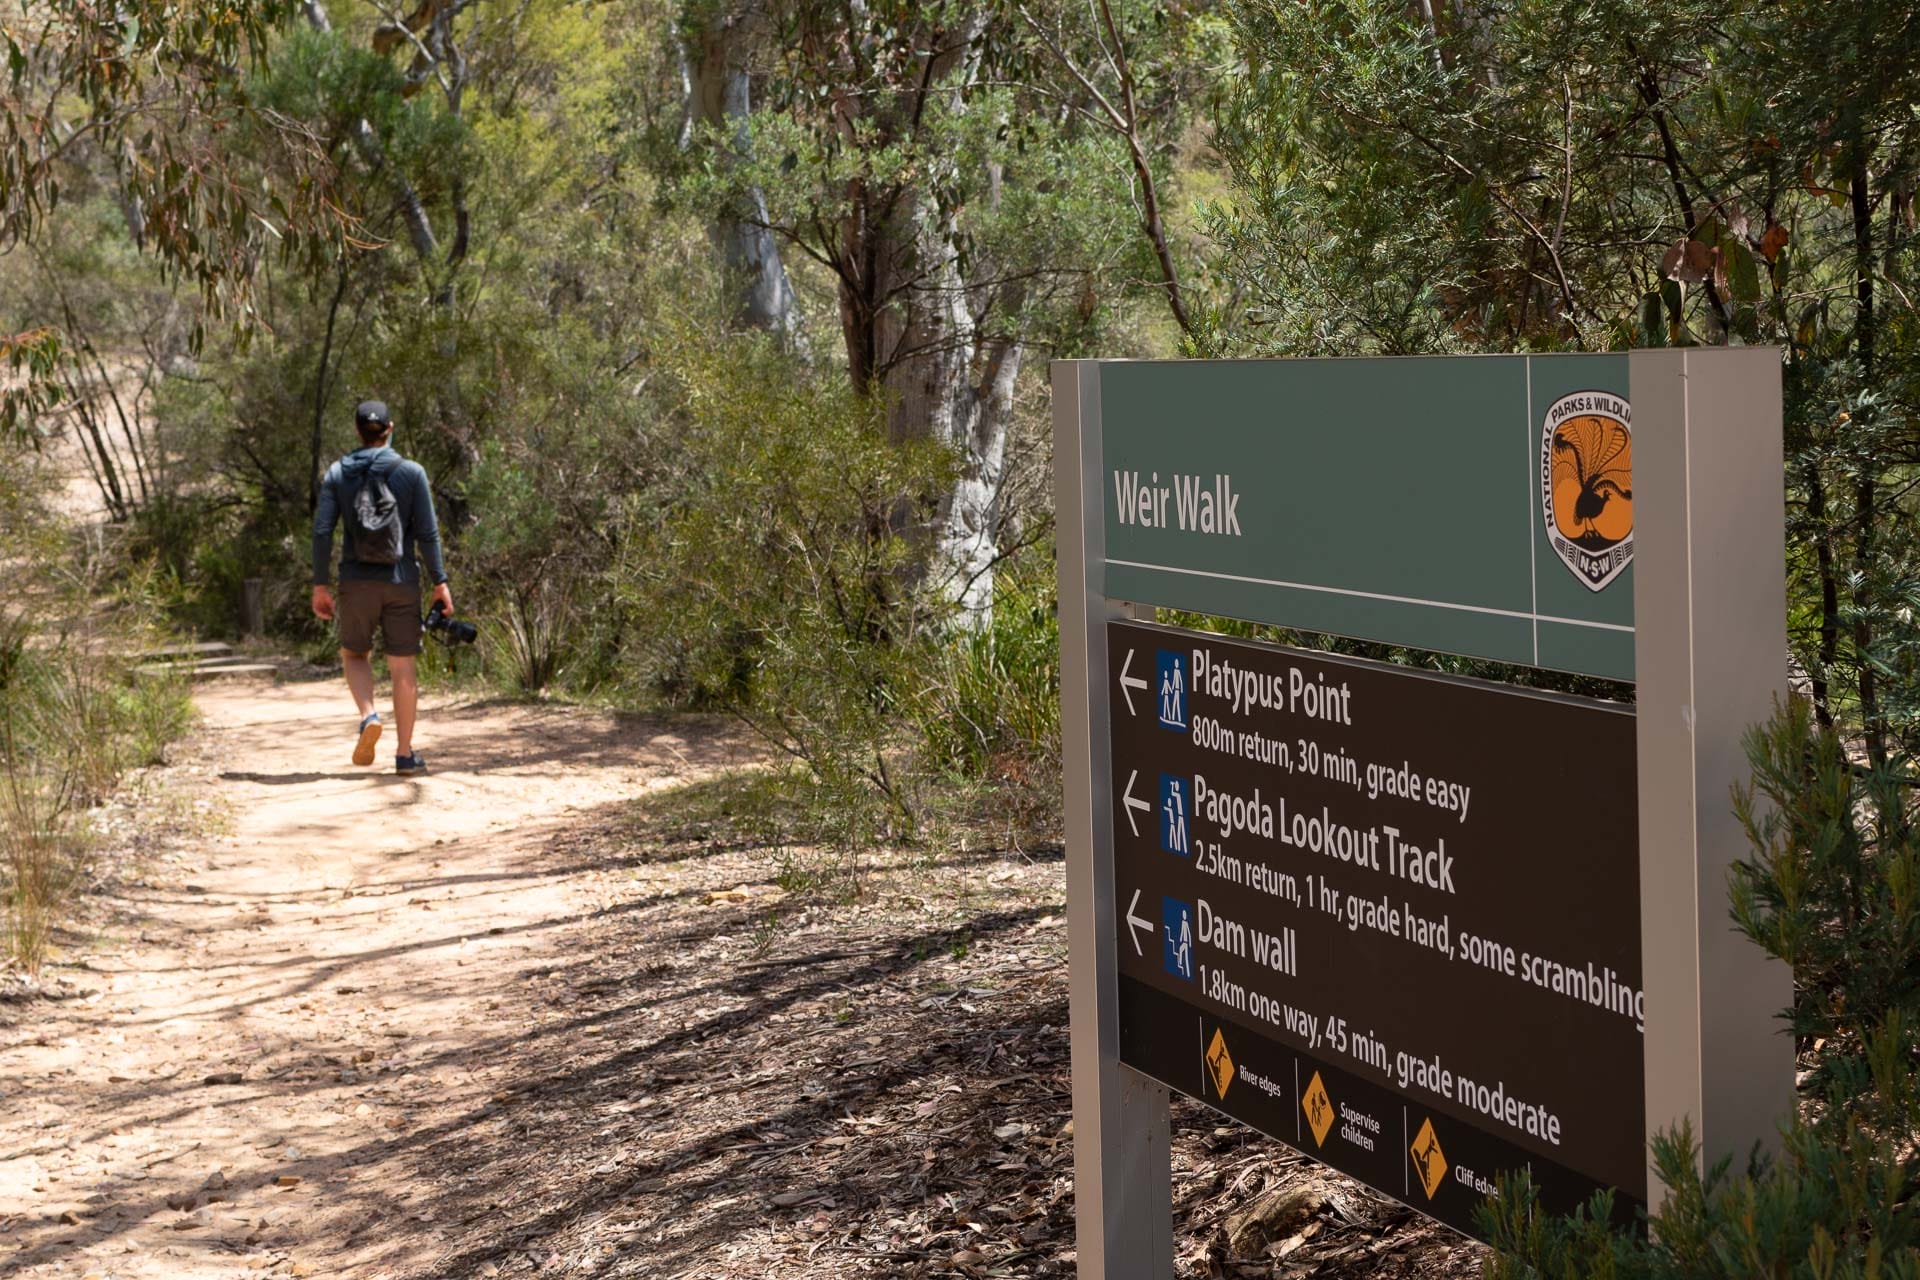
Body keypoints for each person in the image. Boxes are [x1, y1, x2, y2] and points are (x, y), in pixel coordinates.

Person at [310, 400, 453, 775]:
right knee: (402, 666)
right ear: (390, 428)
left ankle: (369, 715)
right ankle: (405, 755)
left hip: (356, 582)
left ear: (358, 431)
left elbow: (323, 531)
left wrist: (320, 585)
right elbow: (427, 532)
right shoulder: (411, 472)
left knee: (355, 655)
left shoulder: (338, 474)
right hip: (401, 579)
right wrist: (440, 582)